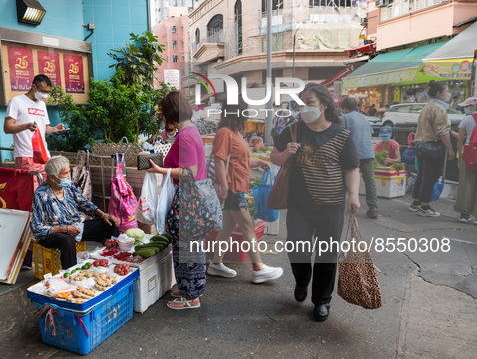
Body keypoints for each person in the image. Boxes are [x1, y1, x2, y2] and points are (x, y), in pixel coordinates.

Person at [271, 83, 360, 322]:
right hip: (300, 205)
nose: (304, 107)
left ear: (324, 104)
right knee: (296, 247)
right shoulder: (293, 130)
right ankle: (302, 280)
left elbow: (352, 168)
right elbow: (275, 158)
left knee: (326, 256)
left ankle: (322, 301)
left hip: (331, 207)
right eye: (301, 103)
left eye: (309, 102)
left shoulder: (341, 134)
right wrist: (286, 153)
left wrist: (353, 195)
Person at [209, 99, 283, 284]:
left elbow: (237, 160)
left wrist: (256, 163)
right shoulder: (225, 133)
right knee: (248, 226)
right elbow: (219, 160)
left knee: (226, 228)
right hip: (232, 188)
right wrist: (224, 187)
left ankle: (215, 264)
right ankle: (258, 268)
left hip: (237, 186)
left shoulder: (235, 133)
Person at [147, 90, 207, 310]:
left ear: (171, 113)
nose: (164, 119)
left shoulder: (185, 135)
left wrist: (161, 170)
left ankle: (191, 297)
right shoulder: (191, 130)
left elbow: (188, 171)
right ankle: (186, 288)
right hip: (194, 196)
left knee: (187, 247)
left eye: (164, 114)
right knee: (186, 245)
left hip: (189, 199)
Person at [30, 156, 119, 269]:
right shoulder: (41, 194)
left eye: (69, 172)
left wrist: (102, 214)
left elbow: (82, 202)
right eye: (65, 173)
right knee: (67, 241)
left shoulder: (68, 185)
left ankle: (114, 262)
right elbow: (36, 227)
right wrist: (65, 229)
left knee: (109, 224)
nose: (69, 176)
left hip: (75, 227)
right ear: (52, 177)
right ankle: (70, 275)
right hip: (53, 233)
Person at [3, 75, 66, 182]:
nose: (45, 95)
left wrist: (55, 129)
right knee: (31, 190)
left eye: (47, 92)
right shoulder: (16, 101)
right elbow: (7, 128)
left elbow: (45, 129)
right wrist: (26, 126)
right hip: (26, 155)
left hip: (44, 156)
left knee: (46, 190)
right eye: (43, 91)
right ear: (33, 86)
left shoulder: (42, 104)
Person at [409, 80, 455, 217]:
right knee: (430, 177)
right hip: (433, 147)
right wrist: (451, 149)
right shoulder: (439, 109)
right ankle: (425, 207)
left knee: (422, 176)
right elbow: (442, 132)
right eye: (447, 91)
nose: (449, 94)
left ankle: (416, 203)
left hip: (422, 146)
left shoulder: (428, 106)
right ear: (439, 93)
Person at [341, 97, 379, 219]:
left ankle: (341, 204)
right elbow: (371, 135)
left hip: (352, 154)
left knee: (345, 179)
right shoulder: (364, 118)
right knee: (370, 181)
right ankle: (373, 208)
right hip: (367, 153)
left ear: (345, 108)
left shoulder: (345, 118)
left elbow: (341, 136)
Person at [455, 101, 477, 225]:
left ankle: (464, 215)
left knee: (466, 184)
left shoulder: (468, 119)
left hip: (469, 155)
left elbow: (460, 138)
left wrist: (460, 154)